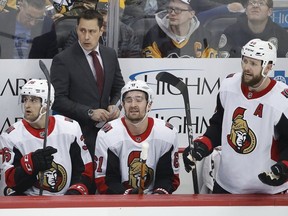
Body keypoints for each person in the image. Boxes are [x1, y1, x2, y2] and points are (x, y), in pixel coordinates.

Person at [183, 38, 288, 194]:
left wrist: (284, 168)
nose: (246, 68)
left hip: (266, 190)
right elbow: (219, 125)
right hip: (227, 185)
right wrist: (202, 144)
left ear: (268, 67)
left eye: (253, 64)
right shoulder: (228, 86)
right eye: (245, 61)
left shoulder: (281, 100)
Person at [50, 9, 125, 159]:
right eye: (82, 30)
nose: (86, 36)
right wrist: (90, 112)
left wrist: (114, 105)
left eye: (92, 31)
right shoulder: (63, 60)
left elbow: (119, 88)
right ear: (77, 29)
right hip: (77, 135)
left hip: (108, 133)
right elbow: (57, 100)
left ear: (101, 30)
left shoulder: (110, 54)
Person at [0, 79, 93, 195]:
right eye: (25, 100)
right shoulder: (11, 136)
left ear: (47, 103)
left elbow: (85, 170)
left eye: (33, 100)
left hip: (65, 203)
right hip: (29, 205)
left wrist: (73, 195)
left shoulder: (70, 128)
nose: (27, 105)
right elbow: (8, 184)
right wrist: (30, 166)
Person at [94, 80, 180, 194]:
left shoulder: (166, 133)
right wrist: (127, 194)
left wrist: (160, 193)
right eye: (128, 100)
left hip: (155, 204)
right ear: (123, 105)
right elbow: (105, 180)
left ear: (149, 104)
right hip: (119, 204)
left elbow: (168, 177)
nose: (133, 105)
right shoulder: (108, 134)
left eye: (139, 100)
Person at [63, 0, 142, 57]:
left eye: (112, 15)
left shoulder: (128, 33)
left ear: (119, 17)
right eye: (103, 13)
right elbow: (67, 57)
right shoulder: (81, 31)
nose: (105, 19)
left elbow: (133, 62)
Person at [142, 0, 218, 58]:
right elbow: (152, 71)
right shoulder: (154, 35)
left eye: (178, 10)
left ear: (191, 14)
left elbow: (209, 70)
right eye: (170, 9)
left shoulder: (205, 36)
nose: (172, 13)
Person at [218, 0, 288, 58]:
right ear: (246, 10)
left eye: (261, 3)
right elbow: (223, 63)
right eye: (251, 3)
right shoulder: (231, 32)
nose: (255, 6)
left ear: (269, 12)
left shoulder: (281, 35)